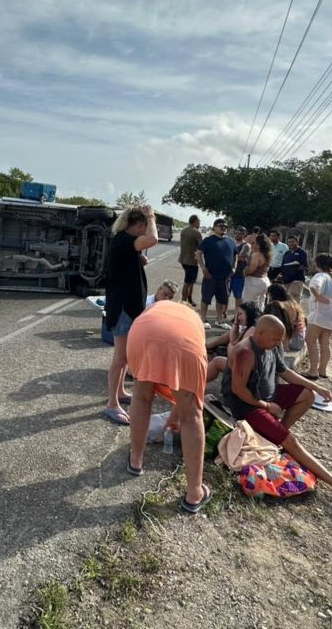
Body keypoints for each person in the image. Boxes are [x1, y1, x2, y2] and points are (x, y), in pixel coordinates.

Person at [223, 315, 332, 513]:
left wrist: (315, 386)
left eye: (279, 340)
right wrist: (266, 406)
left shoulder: (271, 346)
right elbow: (238, 390)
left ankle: (275, 435)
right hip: (248, 405)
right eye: (275, 339)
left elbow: (285, 372)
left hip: (269, 395)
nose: (278, 343)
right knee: (292, 442)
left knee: (306, 395)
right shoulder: (245, 353)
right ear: (261, 333)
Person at [126, 300, 210, 513]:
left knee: (142, 397)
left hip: (142, 333)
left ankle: (135, 460)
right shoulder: (194, 321)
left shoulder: (160, 306)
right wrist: (180, 415)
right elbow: (185, 394)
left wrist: (173, 416)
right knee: (192, 417)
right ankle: (194, 493)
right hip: (185, 344)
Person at [103, 205, 158, 426]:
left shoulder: (125, 242)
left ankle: (121, 392)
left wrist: (138, 260)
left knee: (125, 356)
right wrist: (151, 216)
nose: (147, 230)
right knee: (119, 358)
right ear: (139, 225)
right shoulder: (125, 240)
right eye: (145, 225)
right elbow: (153, 239)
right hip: (124, 307)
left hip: (129, 306)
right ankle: (111, 404)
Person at [305, 253, 332, 380]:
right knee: (325, 342)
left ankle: (312, 371)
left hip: (320, 314)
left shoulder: (320, 275)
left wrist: (318, 297)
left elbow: (313, 286)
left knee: (310, 341)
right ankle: (322, 370)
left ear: (318, 264)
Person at [195, 218, 235, 330]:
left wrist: (234, 267)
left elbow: (235, 254)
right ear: (214, 227)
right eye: (220, 226)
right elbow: (198, 254)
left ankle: (219, 320)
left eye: (225, 226)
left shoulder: (231, 242)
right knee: (206, 299)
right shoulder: (208, 240)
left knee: (222, 300)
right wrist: (203, 268)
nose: (223, 228)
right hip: (210, 276)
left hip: (225, 277)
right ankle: (203, 319)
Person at [241, 231, 272, 310]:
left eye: (254, 242)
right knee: (261, 305)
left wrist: (244, 272)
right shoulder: (268, 254)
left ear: (259, 244)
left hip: (254, 282)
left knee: (249, 305)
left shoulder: (257, 255)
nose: (253, 244)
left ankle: (251, 322)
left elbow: (251, 269)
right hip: (265, 281)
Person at [178, 215, 203, 306]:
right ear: (195, 221)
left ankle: (189, 299)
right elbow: (201, 246)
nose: (199, 223)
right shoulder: (196, 232)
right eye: (198, 222)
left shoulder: (184, 230)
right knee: (188, 282)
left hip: (183, 259)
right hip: (191, 261)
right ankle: (184, 302)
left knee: (191, 281)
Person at [280, 235, 309, 301]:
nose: (291, 243)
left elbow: (305, 266)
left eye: (293, 242)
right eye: (289, 242)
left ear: (297, 242)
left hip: (296, 280)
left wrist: (295, 268)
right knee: (285, 300)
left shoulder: (302, 252)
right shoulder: (287, 253)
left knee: (293, 299)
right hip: (286, 280)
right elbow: (283, 266)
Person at [230, 226, 250, 311]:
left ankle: (237, 314)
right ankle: (223, 313)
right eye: (236, 233)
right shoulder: (230, 243)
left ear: (244, 234)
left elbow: (241, 257)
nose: (237, 235)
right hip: (228, 273)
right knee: (224, 294)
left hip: (239, 274)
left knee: (238, 296)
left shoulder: (246, 245)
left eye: (240, 233)